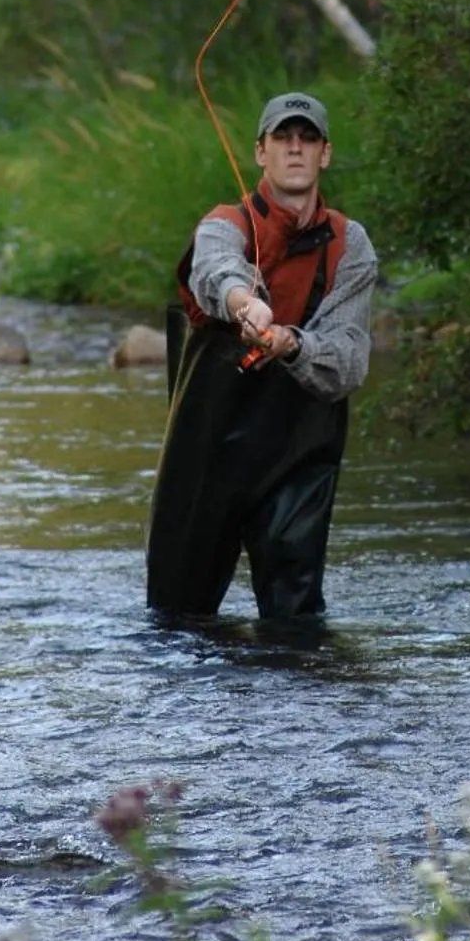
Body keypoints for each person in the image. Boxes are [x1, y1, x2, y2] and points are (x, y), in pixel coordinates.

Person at [146, 89, 378, 625]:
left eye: (308, 138)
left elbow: (347, 361)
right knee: (177, 622)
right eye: (283, 138)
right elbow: (212, 270)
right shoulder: (223, 224)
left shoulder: (352, 245)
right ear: (260, 152)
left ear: (325, 154)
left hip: (299, 455)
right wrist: (241, 302)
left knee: (295, 627)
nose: (295, 149)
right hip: (208, 450)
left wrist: (290, 344)